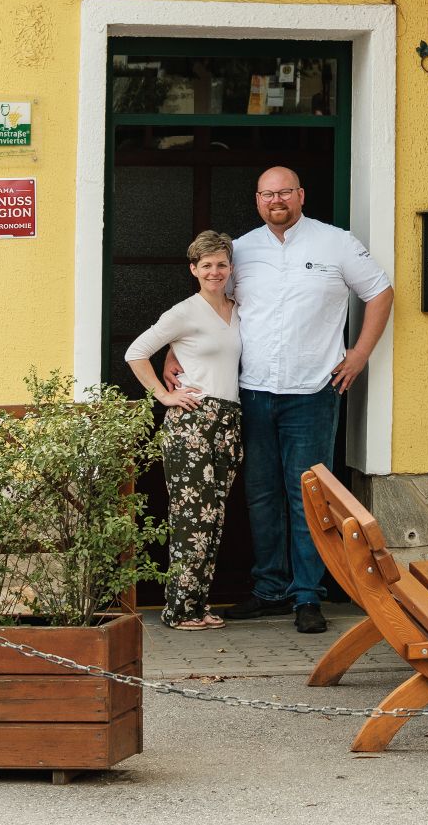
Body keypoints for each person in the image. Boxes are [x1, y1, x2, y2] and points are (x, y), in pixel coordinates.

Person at [232, 165, 395, 632]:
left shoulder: (336, 242)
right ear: (258, 200)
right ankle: (269, 590)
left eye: (284, 192)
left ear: (301, 195)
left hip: (313, 390)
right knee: (261, 495)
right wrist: (175, 355)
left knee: (309, 498)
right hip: (254, 389)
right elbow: (213, 306)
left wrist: (359, 354)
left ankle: (308, 595)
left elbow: (380, 293)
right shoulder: (241, 250)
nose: (275, 200)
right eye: (267, 194)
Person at [123, 229, 252, 630]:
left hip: (228, 420)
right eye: (207, 265)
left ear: (230, 268)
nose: (215, 272)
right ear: (194, 269)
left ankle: (198, 606)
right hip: (193, 421)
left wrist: (174, 354)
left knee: (213, 518)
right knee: (191, 518)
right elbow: (135, 353)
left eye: (222, 264)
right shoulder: (184, 311)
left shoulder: (238, 308)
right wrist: (163, 396)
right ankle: (179, 610)